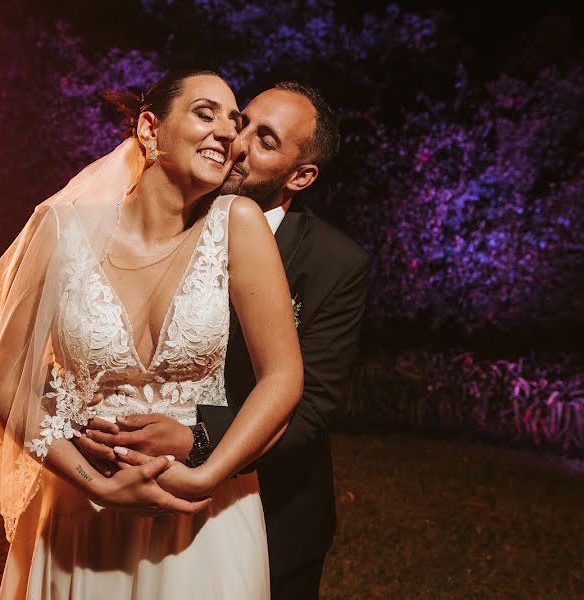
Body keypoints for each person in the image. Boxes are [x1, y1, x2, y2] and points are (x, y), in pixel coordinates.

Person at [0, 70, 304, 599]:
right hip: (82, 509)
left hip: (203, 520)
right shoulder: (59, 229)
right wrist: (101, 487)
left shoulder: (240, 224)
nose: (227, 134)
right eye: (204, 114)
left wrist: (207, 475)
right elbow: (7, 386)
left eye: (232, 123)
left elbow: (282, 377)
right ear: (149, 129)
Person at [77, 82, 371, 600]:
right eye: (243, 123)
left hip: (272, 507)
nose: (237, 142)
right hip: (128, 492)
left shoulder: (333, 263)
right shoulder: (172, 210)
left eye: (266, 140)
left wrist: (197, 439)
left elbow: (312, 405)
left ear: (300, 176)